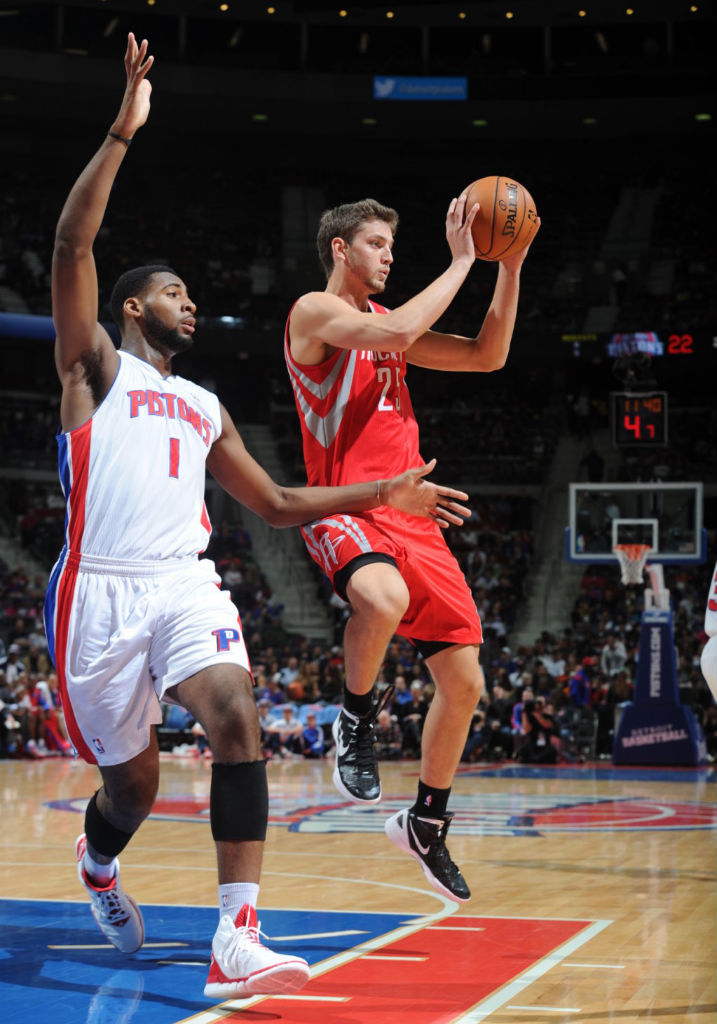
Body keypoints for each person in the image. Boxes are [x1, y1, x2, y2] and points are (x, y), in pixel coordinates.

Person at [45, 35, 473, 1001]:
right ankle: (100, 861)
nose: (189, 304)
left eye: (193, 294)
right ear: (129, 305)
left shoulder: (202, 405)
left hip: (183, 584)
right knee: (135, 790)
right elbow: (73, 243)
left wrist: (381, 494)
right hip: (97, 593)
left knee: (239, 716)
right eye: (172, 292)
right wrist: (120, 130)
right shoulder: (93, 373)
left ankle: (237, 933)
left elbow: (278, 505)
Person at [284, 189, 538, 902]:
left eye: (392, 246)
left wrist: (507, 266)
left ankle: (426, 821)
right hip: (349, 503)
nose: (388, 254)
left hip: (414, 517)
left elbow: (488, 355)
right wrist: (463, 259)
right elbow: (394, 334)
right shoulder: (315, 312)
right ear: (340, 249)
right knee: (383, 596)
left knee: (466, 686)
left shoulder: (385, 325)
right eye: (376, 243)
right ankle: (355, 718)